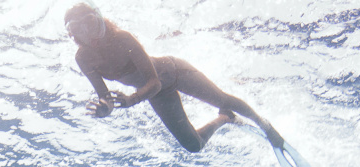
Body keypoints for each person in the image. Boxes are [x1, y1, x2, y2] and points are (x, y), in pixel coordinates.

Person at [64, 3, 285, 154]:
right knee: (193, 145)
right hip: (156, 94)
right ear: (72, 35)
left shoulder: (123, 38)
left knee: (222, 99)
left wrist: (131, 100)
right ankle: (225, 119)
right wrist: (105, 109)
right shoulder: (83, 58)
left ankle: (267, 127)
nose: (88, 34)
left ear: (100, 19)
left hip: (173, 72)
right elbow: (105, 97)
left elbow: (154, 81)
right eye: (78, 29)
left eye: (90, 23)